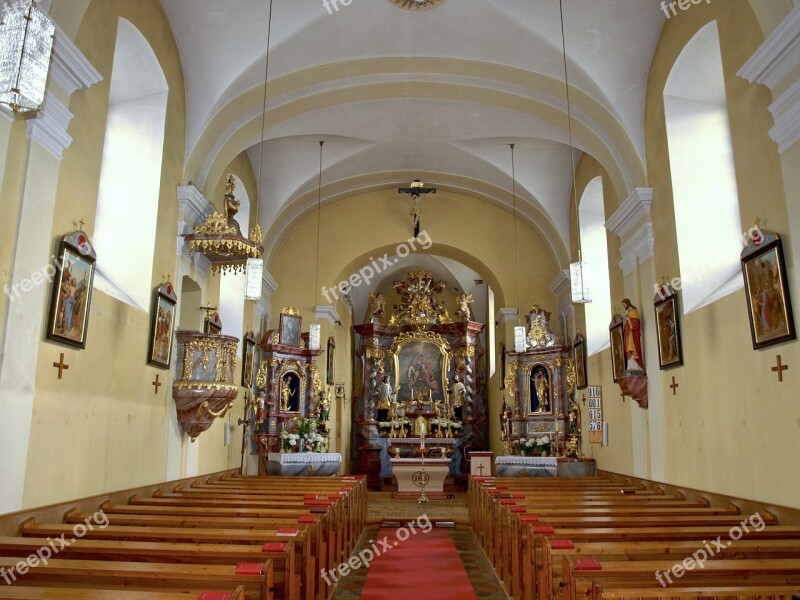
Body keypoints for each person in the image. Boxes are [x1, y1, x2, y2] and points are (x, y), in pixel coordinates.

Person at [622, 298, 644, 371]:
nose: (624, 306)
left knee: (633, 349)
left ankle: (636, 366)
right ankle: (630, 366)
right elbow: (626, 325)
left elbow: (637, 323)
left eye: (624, 304)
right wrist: (625, 323)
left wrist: (629, 320)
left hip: (633, 335)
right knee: (628, 350)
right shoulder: (628, 312)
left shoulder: (634, 311)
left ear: (628, 303)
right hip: (628, 335)